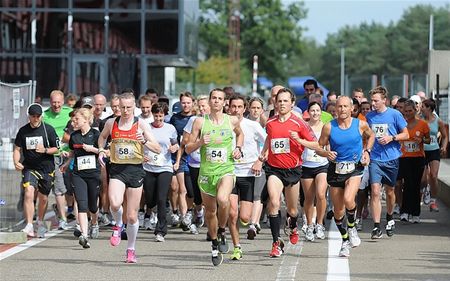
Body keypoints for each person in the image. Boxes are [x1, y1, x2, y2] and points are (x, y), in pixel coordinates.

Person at [253, 87, 318, 258]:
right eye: (279, 101)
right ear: (275, 102)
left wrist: (299, 140)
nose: (282, 104)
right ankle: (276, 243)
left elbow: (315, 144)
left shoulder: (299, 123)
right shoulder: (270, 122)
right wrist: (263, 154)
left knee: (293, 209)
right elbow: (269, 138)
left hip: (293, 170)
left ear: (292, 103)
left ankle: (293, 225)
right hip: (274, 169)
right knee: (274, 202)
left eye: (285, 101)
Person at [98, 90, 160, 263]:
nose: (125, 110)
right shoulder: (111, 123)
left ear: (135, 107)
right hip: (117, 170)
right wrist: (101, 150)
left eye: (128, 107)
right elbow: (102, 138)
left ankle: (131, 250)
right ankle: (118, 224)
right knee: (115, 203)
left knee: (132, 216)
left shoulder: (141, 125)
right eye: (122, 107)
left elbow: (158, 148)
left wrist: (145, 141)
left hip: (135, 171)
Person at [185, 88, 244, 266]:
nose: (216, 101)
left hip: (226, 169)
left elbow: (240, 134)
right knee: (210, 211)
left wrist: (238, 149)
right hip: (206, 173)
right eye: (214, 98)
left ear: (224, 102)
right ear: (209, 101)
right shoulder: (199, 122)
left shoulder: (232, 120)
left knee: (223, 199)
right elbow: (187, 148)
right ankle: (214, 243)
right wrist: (201, 142)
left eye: (220, 98)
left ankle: (222, 230)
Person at [319, 96, 375, 257]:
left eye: (345, 106)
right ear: (335, 109)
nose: (342, 109)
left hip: (354, 168)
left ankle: (352, 228)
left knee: (349, 199)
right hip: (335, 170)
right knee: (338, 211)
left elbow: (371, 136)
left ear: (352, 109)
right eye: (339, 107)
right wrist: (326, 153)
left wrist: (367, 152)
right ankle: (345, 241)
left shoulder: (361, 125)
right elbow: (319, 146)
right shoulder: (329, 127)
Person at [365, 86, 409, 239]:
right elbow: (366, 136)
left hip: (391, 158)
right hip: (375, 159)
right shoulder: (369, 117)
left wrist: (392, 138)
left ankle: (389, 217)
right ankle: (377, 226)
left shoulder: (395, 114)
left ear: (384, 100)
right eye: (372, 100)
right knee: (375, 192)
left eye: (376, 101)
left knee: (390, 192)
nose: (373, 103)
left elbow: (406, 134)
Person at [227, 95, 266, 260]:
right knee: (232, 213)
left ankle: (246, 224)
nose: (236, 110)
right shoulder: (224, 124)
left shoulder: (253, 125)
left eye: (239, 107)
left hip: (248, 173)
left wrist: (259, 161)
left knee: (244, 217)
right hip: (229, 172)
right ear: (229, 108)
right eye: (233, 106)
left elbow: (267, 144)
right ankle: (237, 247)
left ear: (245, 108)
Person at [14, 104, 60, 238]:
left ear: (41, 116)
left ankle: (39, 222)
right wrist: (16, 162)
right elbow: (17, 149)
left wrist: (45, 150)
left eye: (38, 116)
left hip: (46, 168)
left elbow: (56, 148)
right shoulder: (23, 131)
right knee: (28, 193)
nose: (35, 119)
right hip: (30, 167)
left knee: (43, 198)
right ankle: (29, 224)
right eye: (33, 116)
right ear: (29, 116)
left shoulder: (48, 130)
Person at [66, 108, 101, 248]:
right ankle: (84, 236)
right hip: (78, 174)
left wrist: (92, 149)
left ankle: (95, 222)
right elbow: (72, 152)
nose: (73, 122)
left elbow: (104, 152)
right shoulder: (74, 136)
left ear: (86, 120)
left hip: (93, 174)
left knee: (93, 205)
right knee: (81, 203)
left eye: (76, 119)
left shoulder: (96, 134)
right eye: (73, 119)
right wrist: (66, 162)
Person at [143, 103, 178, 242]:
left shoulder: (170, 128)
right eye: (156, 116)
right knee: (150, 198)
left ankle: (161, 230)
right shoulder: (147, 128)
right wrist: (141, 156)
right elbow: (139, 143)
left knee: (162, 198)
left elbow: (176, 144)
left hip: (165, 167)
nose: (158, 119)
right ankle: (149, 212)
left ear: (165, 116)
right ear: (153, 115)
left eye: (161, 116)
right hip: (148, 167)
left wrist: (174, 148)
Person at [43, 90, 72, 230]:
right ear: (50, 102)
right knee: (59, 190)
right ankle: (63, 219)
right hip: (53, 157)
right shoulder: (44, 116)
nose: (56, 105)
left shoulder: (70, 113)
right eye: (54, 102)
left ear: (63, 102)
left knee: (72, 189)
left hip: (70, 156)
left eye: (59, 102)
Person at [300, 102, 329, 242]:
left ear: (321, 112)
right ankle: (310, 225)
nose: (315, 113)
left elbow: (329, 144)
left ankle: (320, 224)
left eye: (318, 110)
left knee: (321, 194)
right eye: (312, 110)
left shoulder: (325, 126)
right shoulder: (303, 127)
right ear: (308, 112)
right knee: (309, 198)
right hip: (306, 165)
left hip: (322, 164)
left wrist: (328, 153)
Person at [398, 100, 430, 223]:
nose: (408, 113)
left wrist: (421, 139)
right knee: (407, 184)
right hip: (404, 157)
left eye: (410, 111)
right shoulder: (402, 124)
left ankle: (415, 213)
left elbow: (428, 140)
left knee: (416, 185)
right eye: (405, 111)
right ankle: (405, 211)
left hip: (418, 158)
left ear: (415, 110)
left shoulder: (422, 124)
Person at [422, 99, 447, 212]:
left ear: (429, 108)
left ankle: (433, 201)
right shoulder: (420, 120)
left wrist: (444, 147)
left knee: (433, 175)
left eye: (423, 106)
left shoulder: (438, 121)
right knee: (422, 179)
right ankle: (426, 189)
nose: (421, 108)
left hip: (434, 150)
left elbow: (445, 136)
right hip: (421, 151)